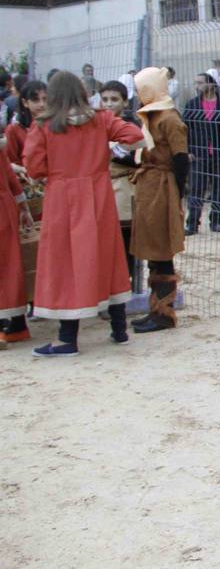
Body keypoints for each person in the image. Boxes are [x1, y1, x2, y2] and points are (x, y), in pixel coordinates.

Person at [23, 71, 143, 357]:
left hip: (63, 198)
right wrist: (106, 151)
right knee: (108, 255)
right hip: (98, 194)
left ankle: (67, 339)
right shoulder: (100, 119)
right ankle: (119, 330)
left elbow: (35, 168)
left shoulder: (45, 125)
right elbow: (135, 136)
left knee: (66, 262)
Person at [128, 67, 190, 333]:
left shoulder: (170, 119)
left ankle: (164, 313)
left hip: (162, 188)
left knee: (162, 249)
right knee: (154, 249)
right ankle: (156, 307)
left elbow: (180, 158)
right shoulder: (153, 116)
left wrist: (176, 192)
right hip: (151, 187)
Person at [182, 72, 220, 234]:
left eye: (200, 83)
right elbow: (184, 129)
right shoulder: (192, 105)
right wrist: (187, 150)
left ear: (211, 84)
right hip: (198, 153)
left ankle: (216, 222)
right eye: (196, 83)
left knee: (219, 189)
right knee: (197, 189)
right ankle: (192, 224)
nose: (197, 86)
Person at [100, 81, 139, 286]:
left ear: (124, 102)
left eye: (114, 100)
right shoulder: (96, 124)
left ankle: (125, 284)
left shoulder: (131, 125)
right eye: (104, 99)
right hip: (100, 189)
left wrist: (111, 152)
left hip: (123, 187)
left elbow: (138, 155)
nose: (108, 104)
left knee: (124, 241)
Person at [1, 158, 34, 343]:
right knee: (11, 265)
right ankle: (18, 326)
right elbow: (11, 178)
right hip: (5, 209)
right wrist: (24, 208)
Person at [5, 80, 46, 169]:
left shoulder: (55, 126)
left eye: (45, 99)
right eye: (36, 100)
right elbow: (9, 162)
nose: (42, 104)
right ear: (25, 103)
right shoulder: (14, 129)